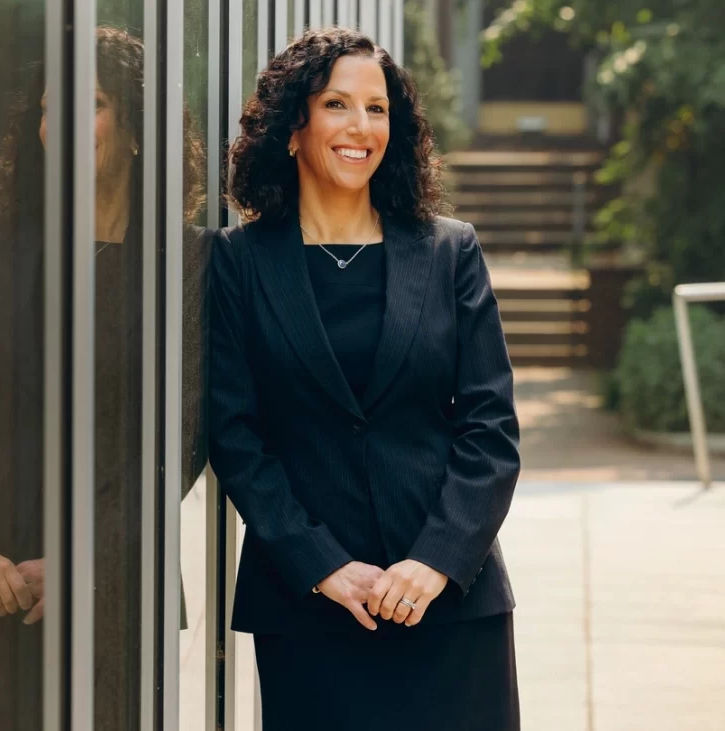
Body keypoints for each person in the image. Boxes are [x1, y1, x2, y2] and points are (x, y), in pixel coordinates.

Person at [207, 27, 521, 729]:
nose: (361, 127)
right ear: (292, 128)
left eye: (377, 109)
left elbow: (490, 429)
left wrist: (434, 561)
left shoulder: (449, 251)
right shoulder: (238, 262)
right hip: (310, 612)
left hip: (449, 604)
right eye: (337, 105)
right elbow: (235, 436)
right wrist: (320, 563)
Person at [0, 26, 209, 730]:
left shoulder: (190, 264)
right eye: (47, 107)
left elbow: (182, 439)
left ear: (135, 129)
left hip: (114, 595)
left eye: (88, 103)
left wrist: (83, 562)